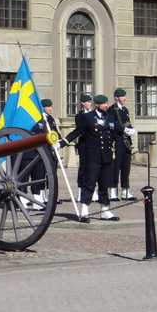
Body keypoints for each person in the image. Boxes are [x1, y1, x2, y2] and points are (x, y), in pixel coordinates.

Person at [60, 94, 119, 223]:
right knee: (89, 183)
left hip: (107, 156)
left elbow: (113, 134)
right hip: (93, 156)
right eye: (103, 104)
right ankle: (85, 210)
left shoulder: (110, 116)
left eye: (106, 103)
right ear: (96, 105)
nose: (106, 105)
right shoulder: (87, 118)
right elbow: (77, 132)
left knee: (105, 184)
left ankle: (105, 209)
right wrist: (61, 143)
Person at [109, 88, 135, 200]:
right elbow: (112, 124)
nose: (124, 98)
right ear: (116, 97)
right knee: (116, 166)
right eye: (122, 96)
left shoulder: (125, 110)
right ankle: (113, 191)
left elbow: (127, 123)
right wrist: (123, 130)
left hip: (126, 141)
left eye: (124, 96)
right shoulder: (112, 110)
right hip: (117, 140)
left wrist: (131, 130)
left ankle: (125, 190)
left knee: (126, 166)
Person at [74, 94, 93, 200]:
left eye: (90, 102)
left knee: (92, 168)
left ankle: (91, 190)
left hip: (92, 144)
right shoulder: (79, 116)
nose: (89, 104)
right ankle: (81, 189)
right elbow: (81, 129)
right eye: (87, 102)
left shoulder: (93, 115)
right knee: (83, 168)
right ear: (82, 103)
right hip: (84, 144)